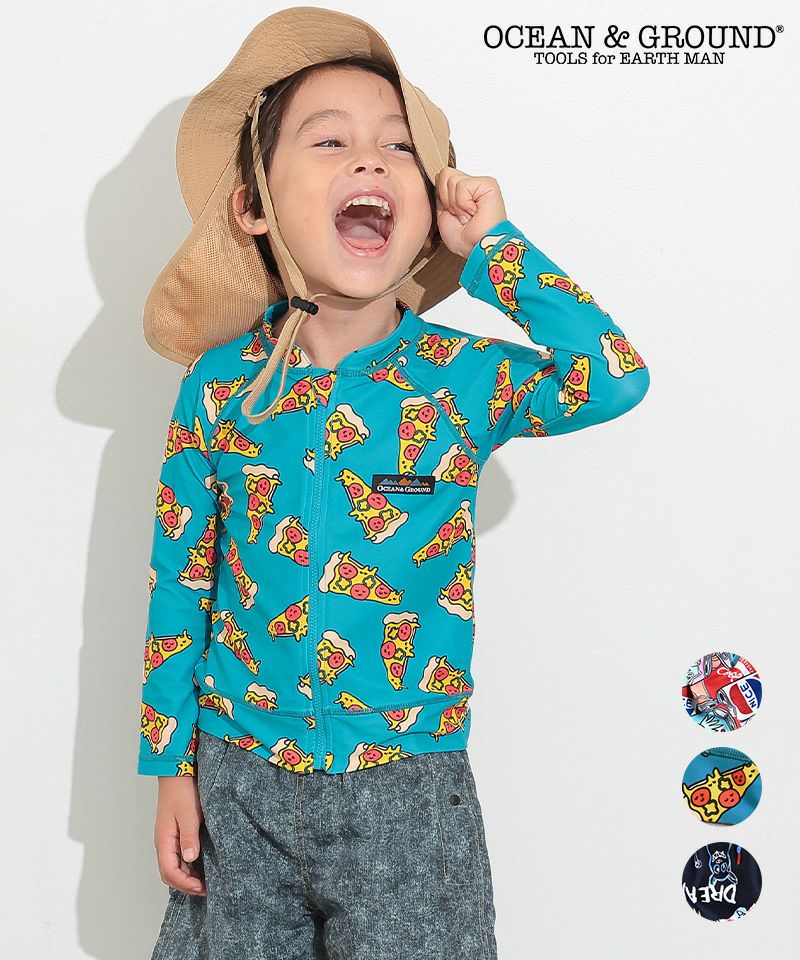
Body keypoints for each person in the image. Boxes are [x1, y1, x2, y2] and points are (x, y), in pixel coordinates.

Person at [138, 8, 650, 959]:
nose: (370, 160)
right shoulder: (219, 387)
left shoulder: (462, 379)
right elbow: (181, 580)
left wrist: (495, 245)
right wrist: (169, 767)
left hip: (407, 796)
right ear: (255, 204)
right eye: (329, 141)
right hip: (237, 781)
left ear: (425, 207)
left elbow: (613, 375)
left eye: (399, 148)